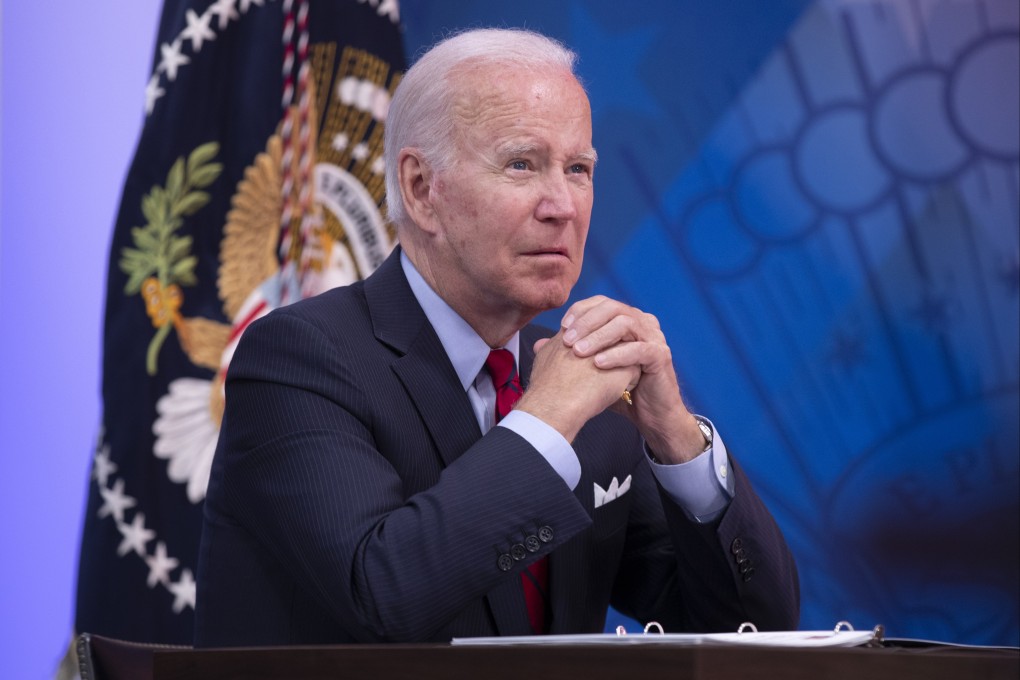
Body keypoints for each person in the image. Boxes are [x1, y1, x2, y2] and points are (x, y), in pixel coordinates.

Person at [194, 27, 799, 647]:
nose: (562, 205)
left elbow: (752, 631)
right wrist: (546, 419)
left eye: (579, 169)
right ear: (422, 190)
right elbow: (382, 595)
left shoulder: (579, 374)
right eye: (521, 164)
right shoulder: (299, 361)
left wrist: (679, 441)